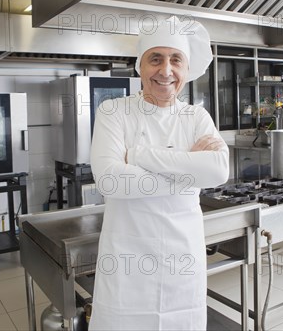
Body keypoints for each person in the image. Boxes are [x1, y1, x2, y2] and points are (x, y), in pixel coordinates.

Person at [89, 16, 229, 330]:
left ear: (186, 68)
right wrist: (188, 170)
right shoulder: (114, 112)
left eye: (175, 60)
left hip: (182, 259)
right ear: (140, 66)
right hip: (128, 261)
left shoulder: (197, 116)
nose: (166, 71)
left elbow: (219, 169)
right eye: (156, 59)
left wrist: (139, 156)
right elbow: (111, 181)